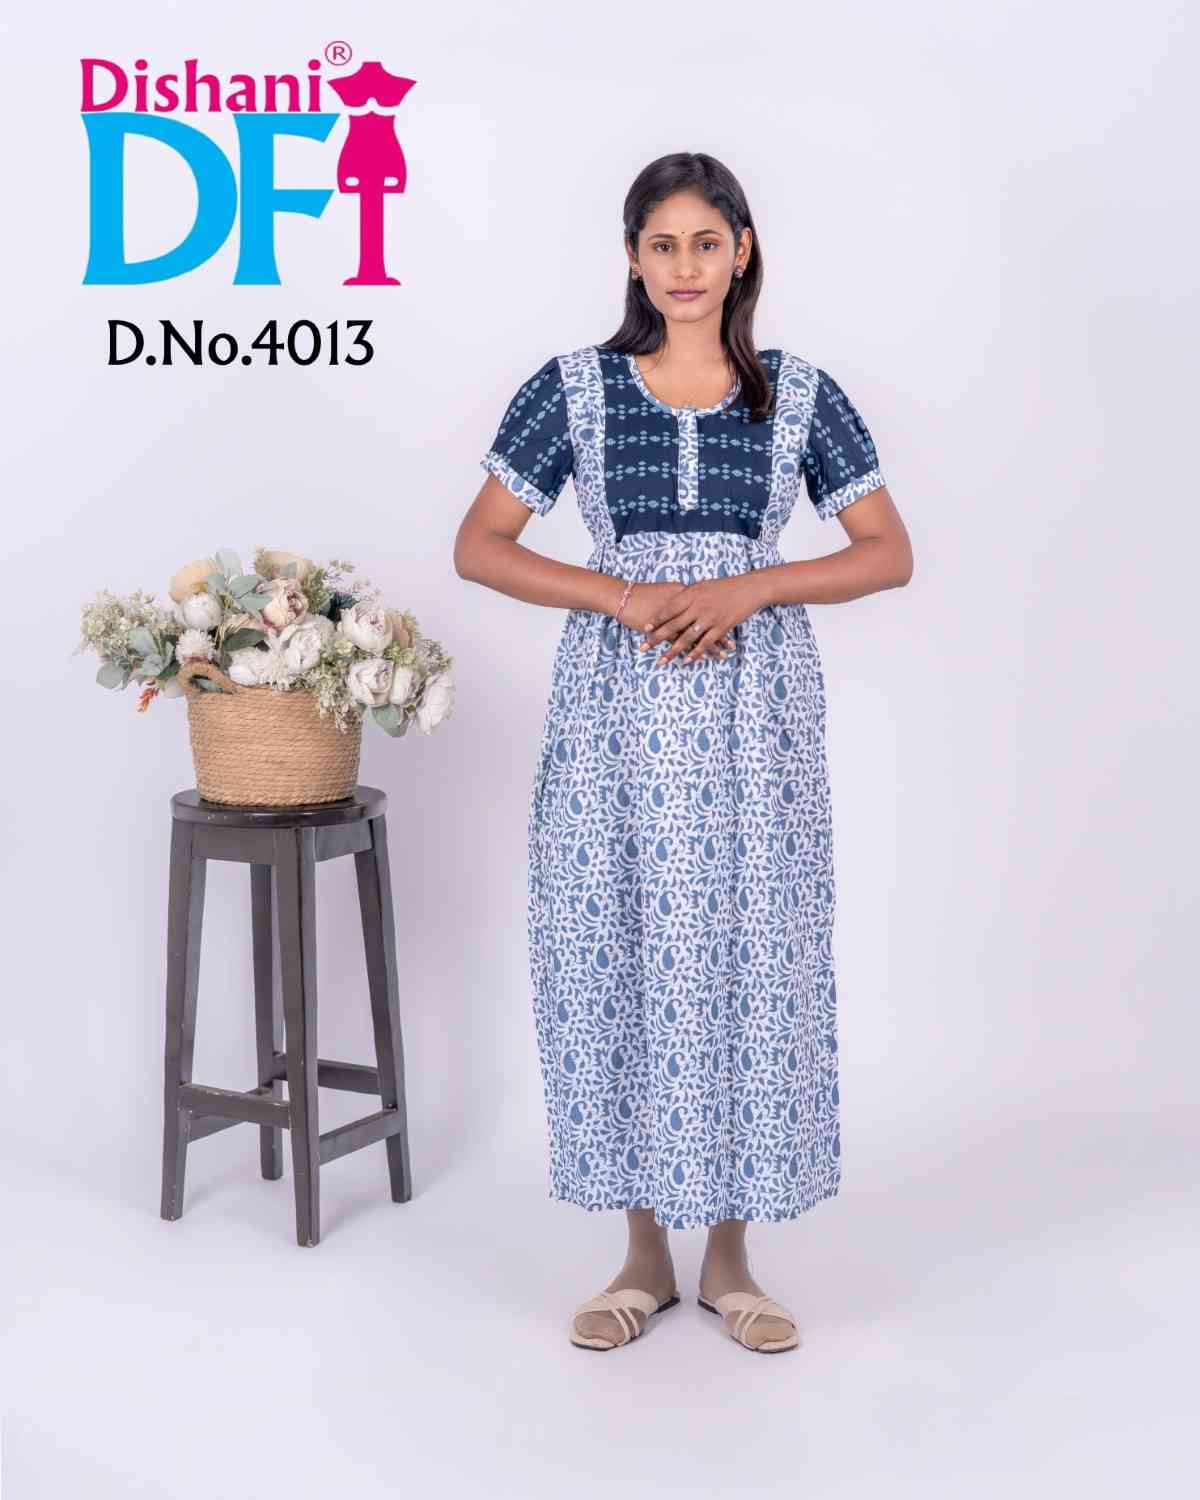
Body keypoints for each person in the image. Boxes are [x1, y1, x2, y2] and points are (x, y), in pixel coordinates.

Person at [454, 151, 913, 1355]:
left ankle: (733, 1261)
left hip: (754, 713)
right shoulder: (574, 388)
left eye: (707, 242)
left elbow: (886, 551)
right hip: (618, 704)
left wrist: (752, 585)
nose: (685, 267)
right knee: (622, 941)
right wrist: (622, 596)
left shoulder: (798, 395)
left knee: (748, 950)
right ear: (631, 258)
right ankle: (643, 1258)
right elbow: (481, 544)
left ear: (742, 250)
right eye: (662, 244)